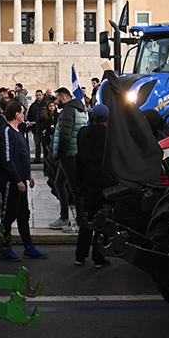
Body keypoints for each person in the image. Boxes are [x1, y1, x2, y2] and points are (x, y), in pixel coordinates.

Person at [0, 100, 47, 261]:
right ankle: (5, 249)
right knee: (8, 215)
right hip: (11, 181)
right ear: (17, 115)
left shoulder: (17, 131)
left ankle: (29, 246)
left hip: (21, 180)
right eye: (23, 112)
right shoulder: (6, 132)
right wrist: (17, 180)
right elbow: (8, 159)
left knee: (23, 213)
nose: (24, 115)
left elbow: (22, 155)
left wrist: (27, 175)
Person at [74, 103, 114, 267]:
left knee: (87, 219)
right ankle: (99, 257)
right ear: (106, 118)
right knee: (103, 221)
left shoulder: (82, 133)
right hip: (105, 184)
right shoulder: (110, 136)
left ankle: (80, 255)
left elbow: (79, 155)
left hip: (88, 182)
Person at [49, 87, 87, 233]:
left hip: (69, 155)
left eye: (57, 98)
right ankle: (64, 218)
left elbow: (65, 133)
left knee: (75, 189)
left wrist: (60, 153)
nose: (55, 101)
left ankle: (79, 222)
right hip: (73, 153)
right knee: (59, 183)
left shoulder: (68, 111)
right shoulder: (78, 108)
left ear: (63, 98)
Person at [27, 90, 48, 163]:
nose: (38, 97)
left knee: (44, 145)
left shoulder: (46, 105)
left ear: (42, 95)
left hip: (43, 128)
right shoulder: (33, 105)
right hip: (35, 128)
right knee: (37, 144)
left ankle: (46, 158)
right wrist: (29, 126)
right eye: (37, 95)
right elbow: (29, 116)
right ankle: (37, 158)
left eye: (40, 95)